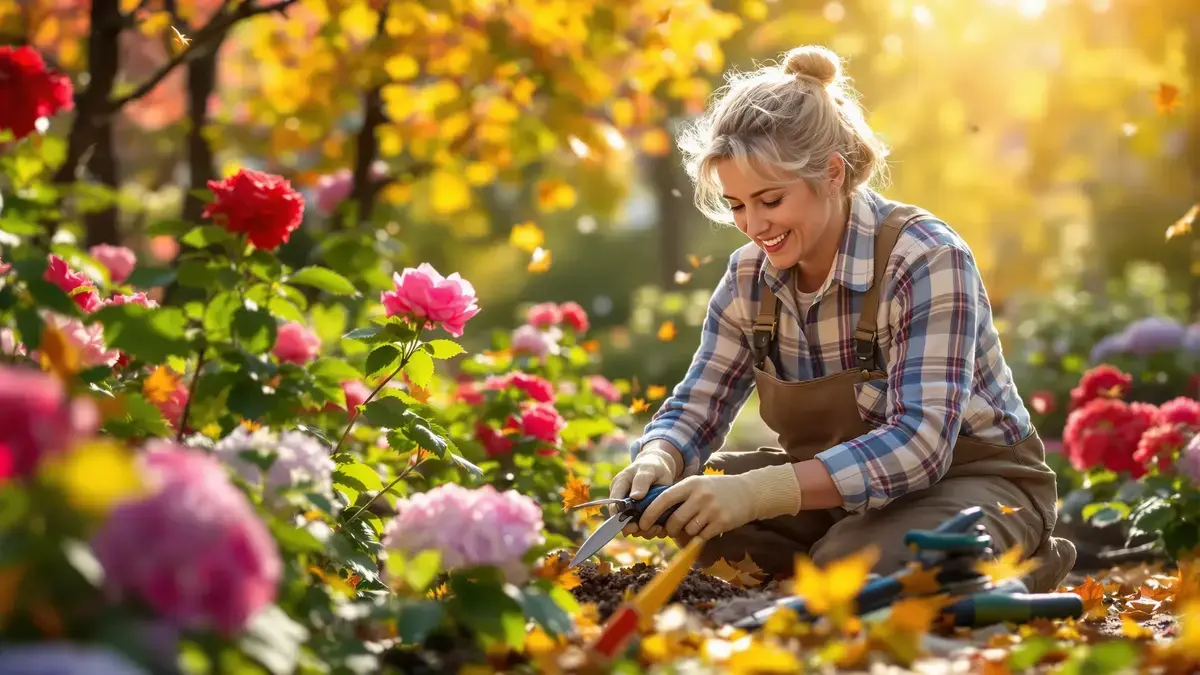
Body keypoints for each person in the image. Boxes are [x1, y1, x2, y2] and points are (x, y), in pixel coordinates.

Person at [607, 44, 1076, 593]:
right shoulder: (748, 278)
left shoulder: (924, 258)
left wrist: (756, 495)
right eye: (736, 205)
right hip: (835, 493)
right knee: (695, 514)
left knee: (852, 568)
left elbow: (920, 445)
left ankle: (1022, 562)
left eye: (770, 200)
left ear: (831, 174)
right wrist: (659, 458)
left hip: (970, 483)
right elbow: (699, 403)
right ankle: (835, 558)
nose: (753, 225)